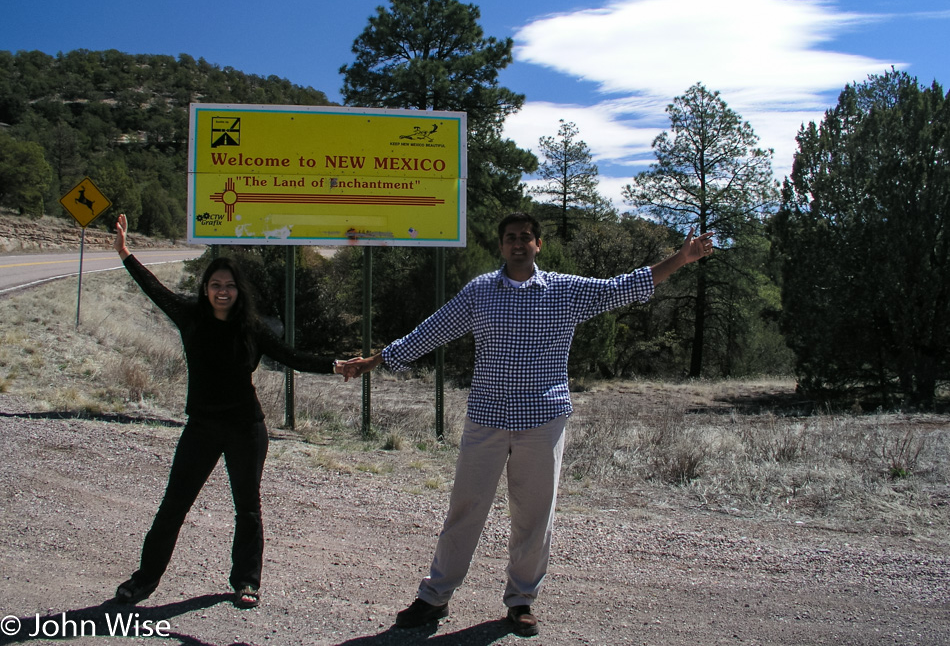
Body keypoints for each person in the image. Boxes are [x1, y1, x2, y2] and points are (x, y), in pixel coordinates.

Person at [340, 211, 713, 637]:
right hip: (487, 419)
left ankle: (520, 601)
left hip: (543, 421)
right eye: (510, 238)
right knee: (465, 510)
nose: (518, 243)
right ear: (501, 246)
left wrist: (680, 260)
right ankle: (434, 598)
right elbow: (433, 330)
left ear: (539, 245)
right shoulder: (480, 291)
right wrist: (376, 360)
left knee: (534, 517)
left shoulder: (565, 291)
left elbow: (624, 287)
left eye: (526, 237)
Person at [111, 213, 343, 609]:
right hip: (201, 427)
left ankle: (246, 582)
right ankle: (144, 579)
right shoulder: (190, 318)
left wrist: (337, 366)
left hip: (245, 429)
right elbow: (153, 288)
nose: (222, 292)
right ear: (205, 290)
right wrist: (124, 252)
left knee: (248, 509)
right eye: (215, 285)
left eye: (229, 286)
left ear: (238, 291)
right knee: (173, 506)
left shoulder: (251, 329)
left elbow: (292, 357)